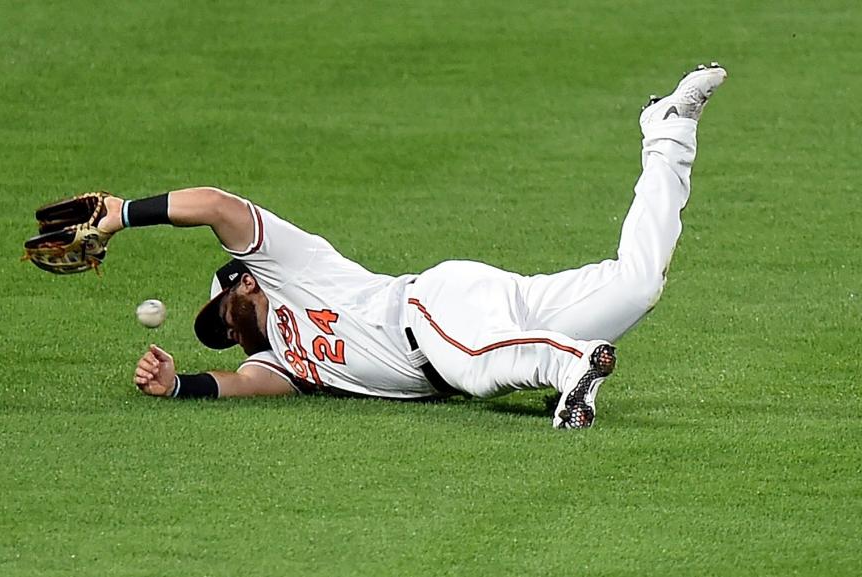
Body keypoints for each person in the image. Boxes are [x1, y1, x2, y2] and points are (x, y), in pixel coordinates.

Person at [104, 63, 726, 429]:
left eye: (222, 319)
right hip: (484, 316)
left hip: (431, 311)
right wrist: (176, 385)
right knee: (637, 285)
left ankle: (571, 368)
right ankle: (668, 133)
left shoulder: (288, 267)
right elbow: (238, 385)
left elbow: (216, 207)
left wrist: (124, 215)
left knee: (476, 369)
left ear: (244, 282)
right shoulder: (285, 365)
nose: (230, 333)